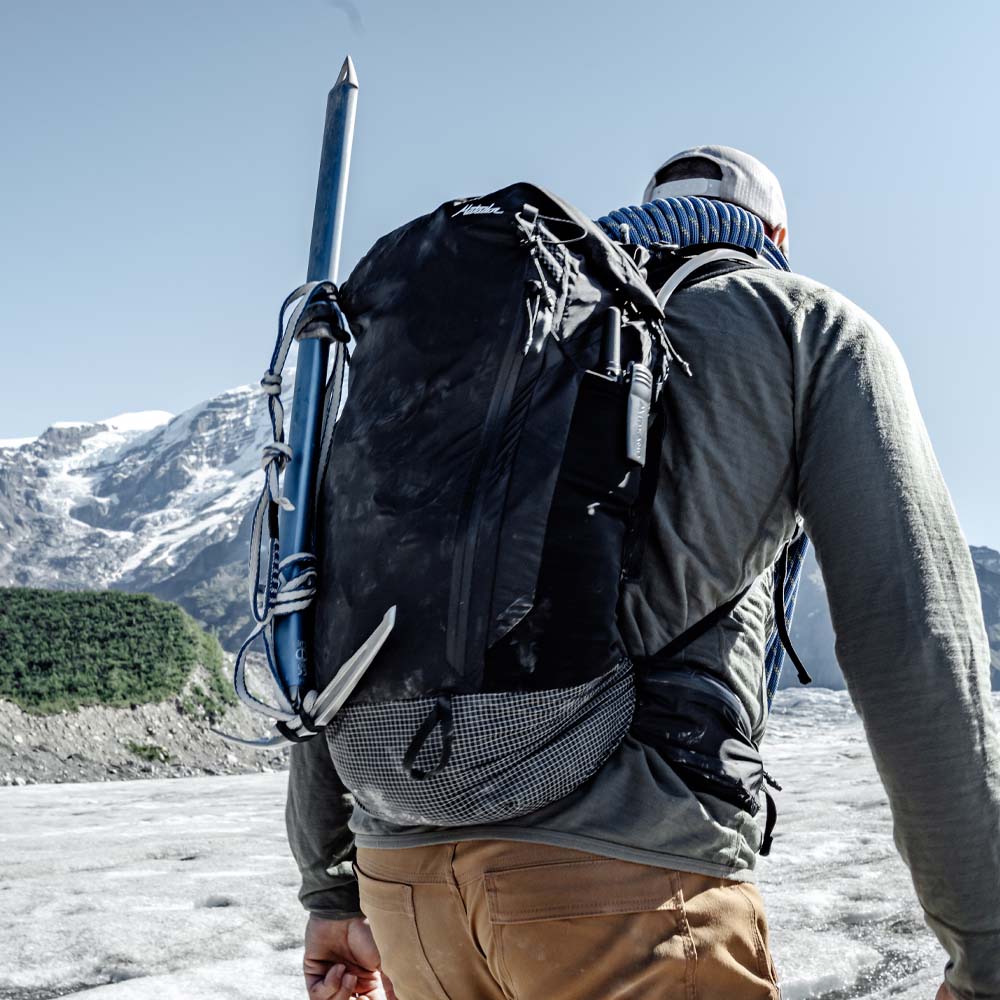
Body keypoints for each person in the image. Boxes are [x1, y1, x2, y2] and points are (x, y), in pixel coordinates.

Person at [285, 146, 1000, 1000]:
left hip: (404, 894)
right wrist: (986, 950)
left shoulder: (520, 330)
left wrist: (332, 888)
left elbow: (361, 602)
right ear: (774, 233)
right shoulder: (801, 321)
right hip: (630, 884)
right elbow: (910, 638)